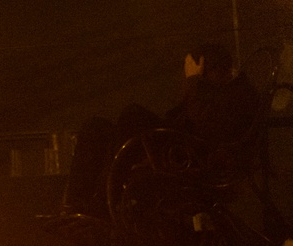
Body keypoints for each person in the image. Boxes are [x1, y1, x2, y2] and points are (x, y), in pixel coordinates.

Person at [57, 43, 259, 224]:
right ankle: (74, 207)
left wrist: (195, 81)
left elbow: (207, 127)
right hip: (180, 150)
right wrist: (195, 84)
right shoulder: (215, 92)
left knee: (133, 115)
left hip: (190, 159)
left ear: (206, 67)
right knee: (96, 127)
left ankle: (102, 204)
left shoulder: (238, 94)